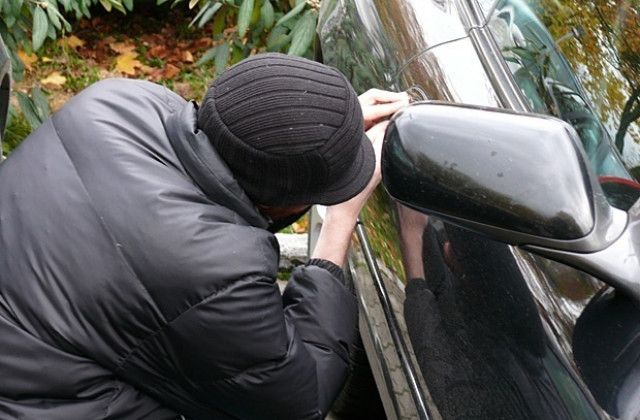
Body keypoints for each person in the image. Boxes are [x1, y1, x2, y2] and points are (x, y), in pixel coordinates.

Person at [0, 53, 409, 419]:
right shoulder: (219, 273)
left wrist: (324, 129)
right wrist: (339, 220)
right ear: (285, 204)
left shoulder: (118, 100)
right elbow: (299, 402)